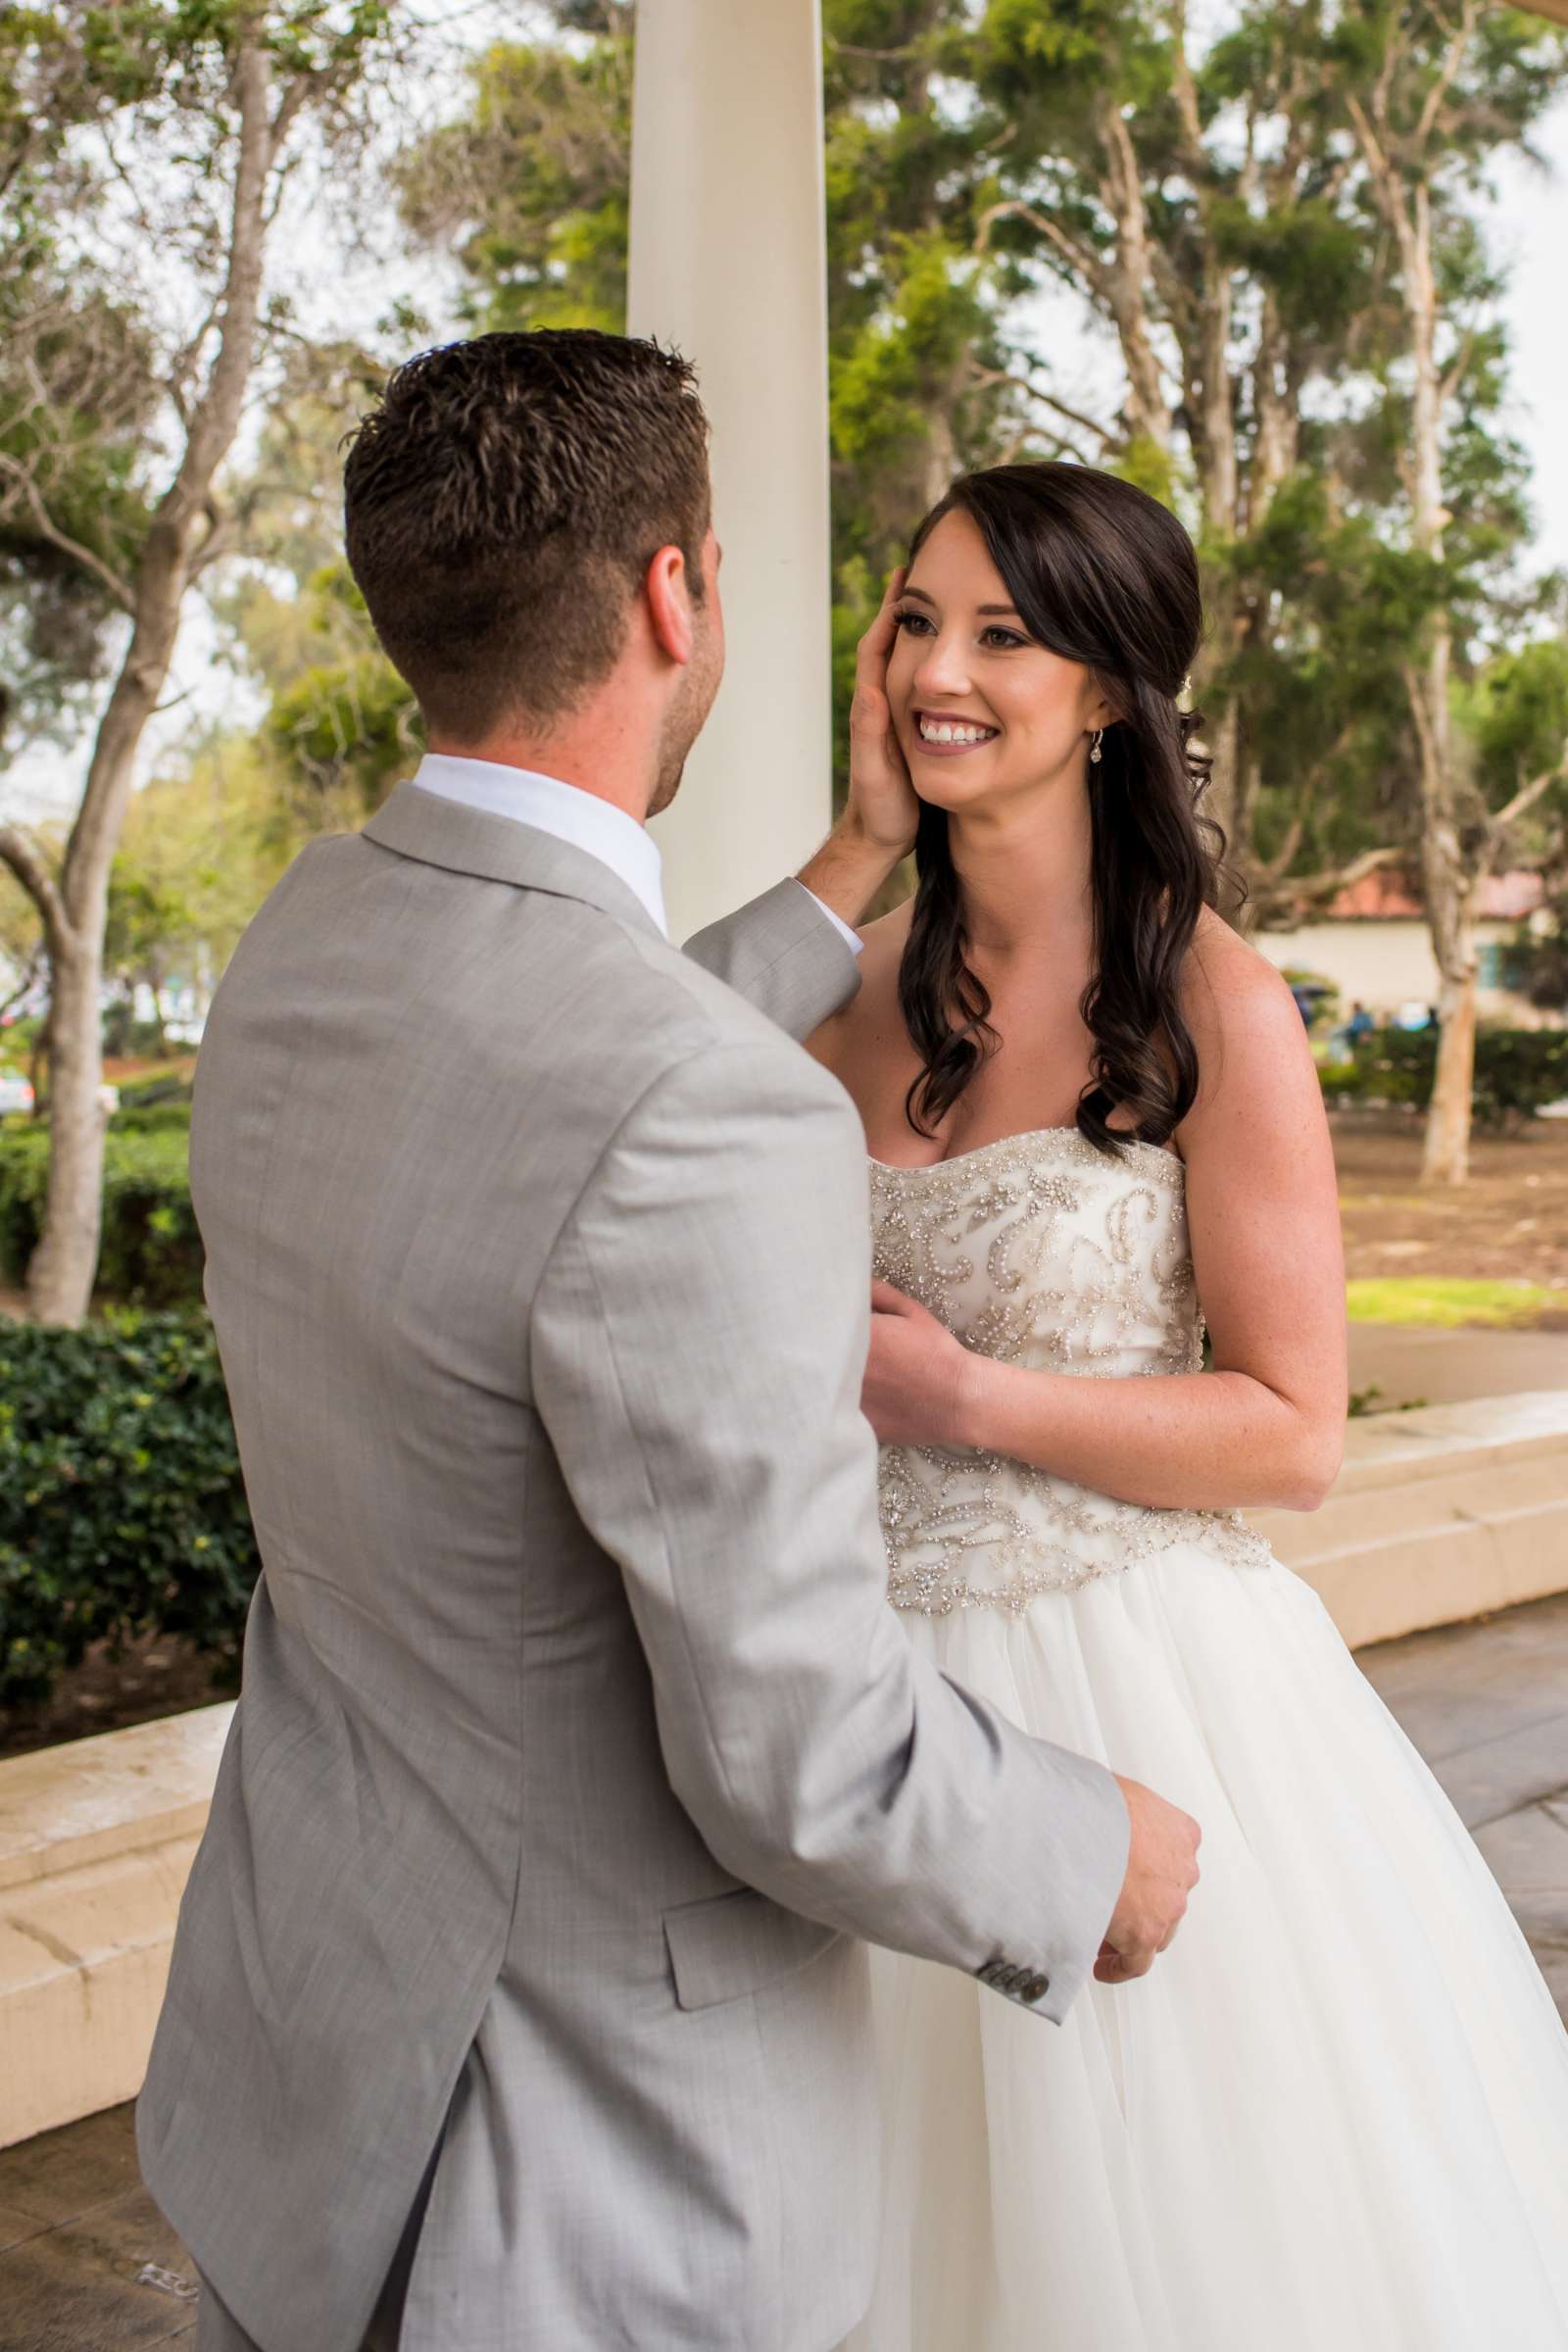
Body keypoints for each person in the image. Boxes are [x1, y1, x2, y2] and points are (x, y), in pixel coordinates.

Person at [135, 334, 1200, 2352]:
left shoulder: (309, 942)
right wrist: (1086, 1859)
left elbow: (544, 1089)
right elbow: (792, 1754)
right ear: (672, 598)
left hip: (298, 2058)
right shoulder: (695, 1110)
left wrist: (847, 867)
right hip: (565, 2179)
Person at [807, 461, 1568, 2351]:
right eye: (915, 619)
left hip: (1141, 1687)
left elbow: (1292, 1430)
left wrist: (961, 1393)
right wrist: (847, 843)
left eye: (1004, 633)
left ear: (1109, 693)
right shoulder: (835, 1005)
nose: (938, 670)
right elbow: (620, 1099)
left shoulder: (1213, 997)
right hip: (869, 1713)